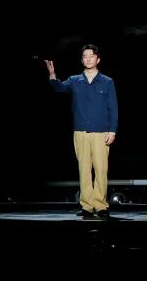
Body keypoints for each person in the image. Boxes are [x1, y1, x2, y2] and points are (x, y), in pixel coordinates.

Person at [45, 44, 118, 219]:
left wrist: (112, 131)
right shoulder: (74, 80)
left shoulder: (107, 81)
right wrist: (52, 75)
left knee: (101, 169)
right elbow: (59, 88)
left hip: (101, 132)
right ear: (82, 60)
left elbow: (113, 108)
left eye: (91, 56)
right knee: (84, 170)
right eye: (85, 56)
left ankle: (100, 205)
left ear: (98, 59)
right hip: (80, 132)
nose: (88, 59)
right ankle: (87, 206)